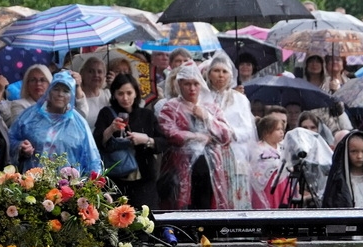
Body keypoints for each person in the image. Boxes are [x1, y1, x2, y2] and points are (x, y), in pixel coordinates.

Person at [157, 62, 233, 210]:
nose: (192, 88)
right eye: (187, 84)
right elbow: (170, 133)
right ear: (179, 84)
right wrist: (197, 136)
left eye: (195, 84)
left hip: (209, 166)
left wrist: (207, 118)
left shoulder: (211, 108)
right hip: (180, 166)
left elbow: (226, 135)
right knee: (183, 205)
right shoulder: (171, 107)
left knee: (207, 204)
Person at [7, 71, 102, 175]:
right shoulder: (30, 116)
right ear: (49, 91)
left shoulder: (79, 123)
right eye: (56, 89)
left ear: (72, 95)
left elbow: (92, 158)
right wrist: (20, 147)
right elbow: (10, 139)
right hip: (32, 181)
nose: (60, 94)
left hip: (67, 183)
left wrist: (93, 181)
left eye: (66, 91)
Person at [94, 73, 160, 211]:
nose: (125, 98)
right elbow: (97, 143)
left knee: (145, 217)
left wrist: (146, 140)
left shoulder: (146, 115)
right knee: (116, 217)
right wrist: (111, 129)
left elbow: (162, 143)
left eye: (129, 93)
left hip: (144, 178)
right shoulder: (107, 113)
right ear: (114, 94)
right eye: (120, 93)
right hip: (115, 180)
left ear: (136, 93)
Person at [203, 52, 255, 208]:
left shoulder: (240, 99)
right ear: (209, 74)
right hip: (209, 152)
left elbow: (248, 130)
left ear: (230, 75)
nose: (220, 75)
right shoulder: (202, 97)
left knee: (234, 196)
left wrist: (228, 133)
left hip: (234, 154)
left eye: (224, 71)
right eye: (216, 71)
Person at [248, 114, 289, 209]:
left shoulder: (283, 147)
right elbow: (256, 167)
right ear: (266, 132)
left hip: (282, 185)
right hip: (267, 186)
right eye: (277, 129)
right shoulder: (258, 149)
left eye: (282, 129)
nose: (281, 132)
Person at [0, 64, 50, 128]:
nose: (38, 83)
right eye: (33, 80)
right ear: (27, 84)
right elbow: (22, 129)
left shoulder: (55, 104)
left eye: (42, 80)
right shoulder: (19, 105)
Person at [74, 53, 107, 127]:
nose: (96, 75)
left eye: (99, 72)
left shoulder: (108, 95)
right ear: (82, 74)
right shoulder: (77, 97)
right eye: (91, 71)